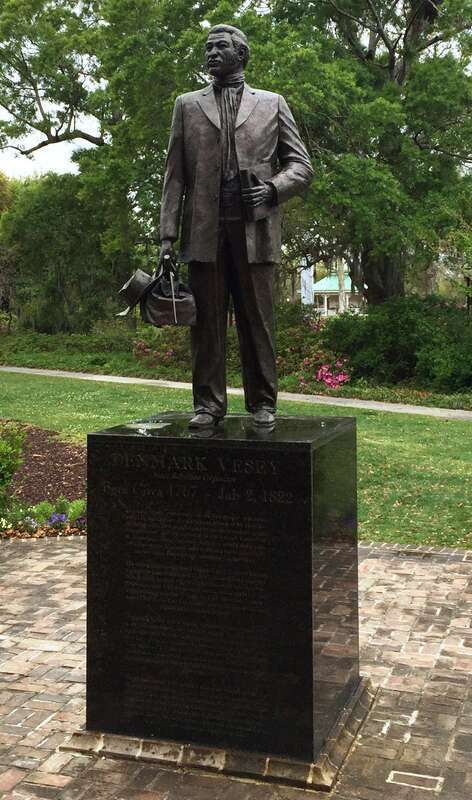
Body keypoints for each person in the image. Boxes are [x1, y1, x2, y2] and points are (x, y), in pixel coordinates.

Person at [159, 23, 313, 428]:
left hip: (254, 227)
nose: (211, 53)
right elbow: (174, 176)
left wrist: (272, 189)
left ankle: (263, 403)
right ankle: (208, 406)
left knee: (257, 320)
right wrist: (166, 237)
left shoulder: (272, 104)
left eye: (220, 47)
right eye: (207, 48)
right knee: (205, 323)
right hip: (203, 229)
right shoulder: (187, 105)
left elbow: (301, 167)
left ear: (241, 54)